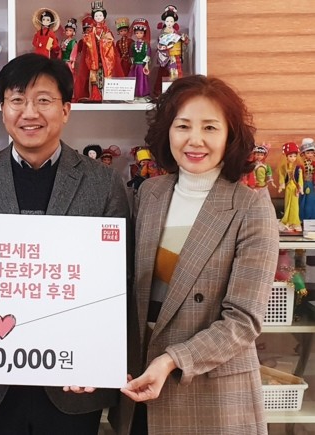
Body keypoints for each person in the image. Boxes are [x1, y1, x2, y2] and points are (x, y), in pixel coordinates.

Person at [0, 52, 130, 435]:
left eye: (43, 100)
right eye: (17, 100)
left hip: (74, 378)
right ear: (3, 110)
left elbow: (117, 281)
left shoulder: (103, 182)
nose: (29, 112)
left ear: (66, 110)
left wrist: (100, 358)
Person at [112, 75, 279, 435]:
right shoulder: (150, 194)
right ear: (167, 132)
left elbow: (243, 321)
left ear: (230, 136)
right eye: (183, 126)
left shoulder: (250, 206)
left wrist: (172, 360)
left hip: (210, 392)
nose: (195, 140)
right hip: (141, 384)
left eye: (210, 128)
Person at [278, 141, 303, 232]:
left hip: (295, 189)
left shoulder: (298, 168)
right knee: (287, 204)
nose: (293, 158)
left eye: (295, 156)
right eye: (290, 156)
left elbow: (300, 178)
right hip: (288, 188)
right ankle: (287, 221)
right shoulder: (283, 167)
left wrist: (300, 188)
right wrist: (281, 185)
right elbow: (281, 176)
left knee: (295, 206)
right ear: (286, 156)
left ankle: (295, 222)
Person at [128, 19, 151, 101]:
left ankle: (143, 94)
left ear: (144, 33)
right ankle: (134, 94)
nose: (139, 35)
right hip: (135, 66)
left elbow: (148, 54)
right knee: (134, 79)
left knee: (142, 80)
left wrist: (146, 65)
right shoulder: (133, 44)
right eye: (137, 33)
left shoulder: (146, 44)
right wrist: (132, 63)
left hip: (142, 65)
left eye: (141, 33)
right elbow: (131, 54)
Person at [300, 137, 315, 220]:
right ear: (303, 153)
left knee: (311, 200)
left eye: (311, 153)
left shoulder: (313, 163)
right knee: (304, 200)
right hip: (303, 183)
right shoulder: (301, 164)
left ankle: (312, 217)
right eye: (308, 152)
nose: (310, 154)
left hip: (312, 184)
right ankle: (304, 217)